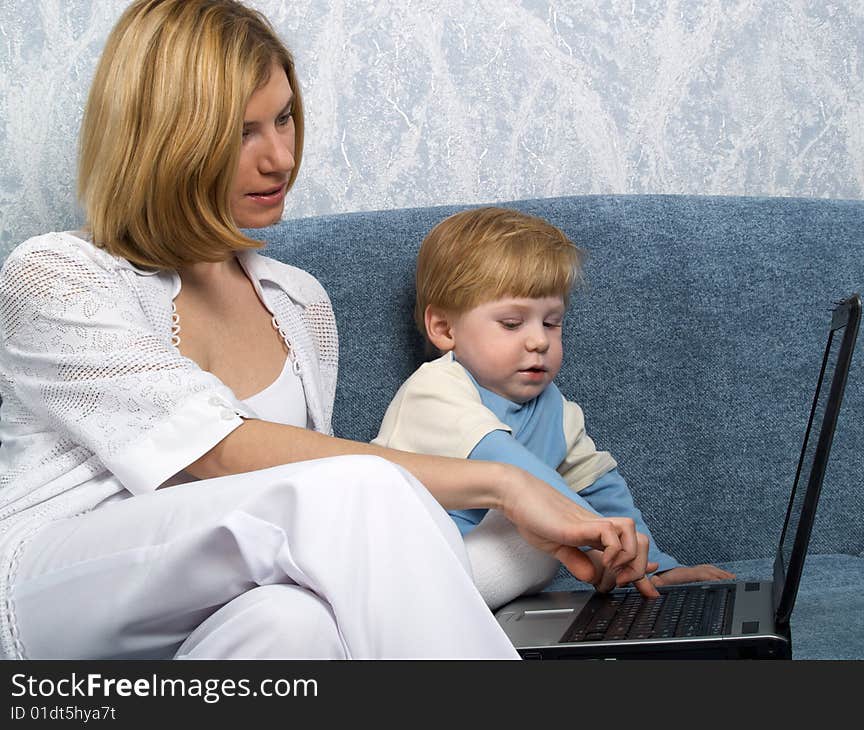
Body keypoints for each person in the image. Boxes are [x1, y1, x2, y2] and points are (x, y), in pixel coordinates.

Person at [0, 0, 656, 660]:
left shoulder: (297, 301)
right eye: (241, 133)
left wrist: (539, 513)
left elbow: (302, 509)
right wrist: (507, 484)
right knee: (371, 491)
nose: (280, 157)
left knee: (297, 621)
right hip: (53, 597)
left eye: (283, 117)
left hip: (214, 614)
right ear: (163, 138)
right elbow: (220, 452)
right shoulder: (54, 274)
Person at [373, 207, 735, 609]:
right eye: (512, 324)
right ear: (444, 329)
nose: (538, 341)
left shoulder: (556, 409)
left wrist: (652, 568)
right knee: (536, 532)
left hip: (472, 564)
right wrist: (598, 536)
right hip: (395, 558)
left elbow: (600, 490)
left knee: (536, 541)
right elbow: (509, 467)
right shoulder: (435, 390)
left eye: (551, 323)